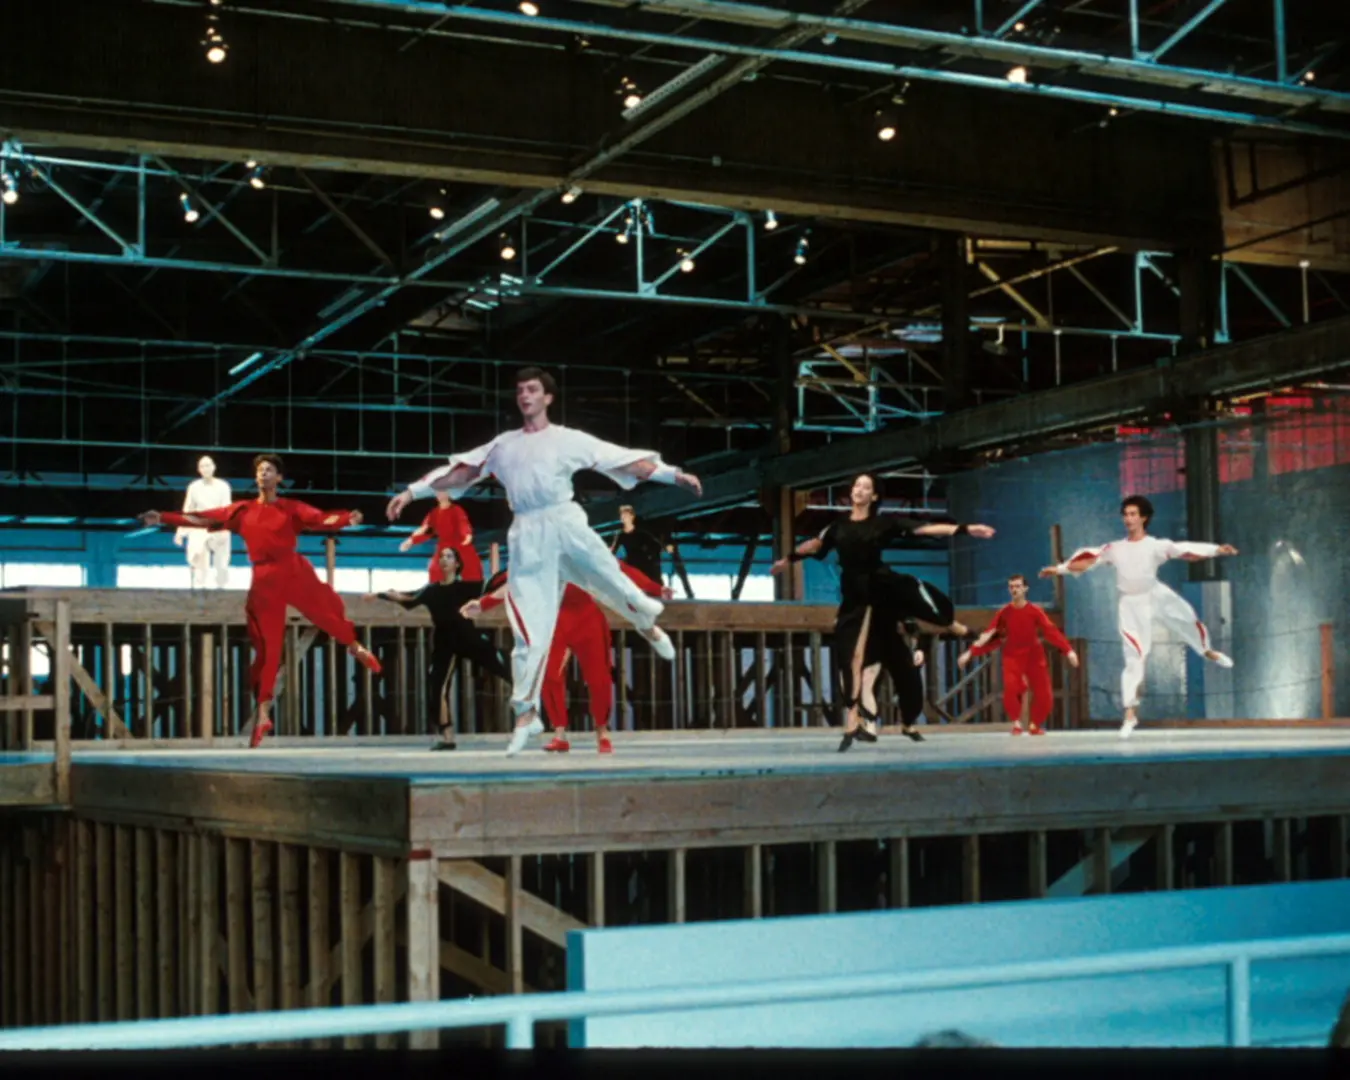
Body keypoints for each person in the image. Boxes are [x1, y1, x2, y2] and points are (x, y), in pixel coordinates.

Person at [386, 366, 702, 757]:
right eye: (520, 390)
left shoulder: (567, 439)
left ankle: (648, 625)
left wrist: (673, 475)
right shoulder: (504, 445)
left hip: (564, 520)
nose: (524, 396)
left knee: (612, 578)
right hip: (528, 532)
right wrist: (413, 492)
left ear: (548, 398)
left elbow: (621, 461)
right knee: (528, 629)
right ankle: (526, 714)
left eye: (532, 390)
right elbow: (460, 472)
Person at [139, 453, 382, 748]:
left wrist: (347, 518)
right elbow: (202, 518)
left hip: (291, 569)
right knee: (268, 647)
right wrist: (163, 518)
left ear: (278, 478)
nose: (263, 473)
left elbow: (320, 519)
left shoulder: (290, 508)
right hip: (264, 578)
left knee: (325, 610)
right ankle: (264, 711)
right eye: (259, 470)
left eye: (268, 470)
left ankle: (354, 646)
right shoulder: (242, 511)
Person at [771, 472, 995, 751]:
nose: (859, 490)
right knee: (851, 660)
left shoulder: (882, 524)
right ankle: (854, 720)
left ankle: (955, 627)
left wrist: (963, 529)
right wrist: (788, 559)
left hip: (881, 587)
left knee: (924, 613)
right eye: (856, 486)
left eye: (866, 487)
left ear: (873, 496)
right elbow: (815, 544)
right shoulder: (838, 527)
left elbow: (921, 528)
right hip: (854, 596)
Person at [1040, 494, 1236, 739]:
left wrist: (1216, 550)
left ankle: (1207, 651)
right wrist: (1058, 569)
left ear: (1143, 518)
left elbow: (1186, 551)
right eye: (1126, 515)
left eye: (1133, 514)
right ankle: (1130, 713)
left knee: (1186, 617)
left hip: (1155, 593)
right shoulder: (1115, 548)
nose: (1129, 519)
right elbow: (1088, 562)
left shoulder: (1155, 545)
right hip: (1131, 604)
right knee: (1134, 656)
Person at [464, 560, 671, 754]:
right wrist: (482, 605)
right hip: (554, 624)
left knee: (599, 678)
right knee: (549, 676)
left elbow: (620, 569)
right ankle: (560, 734)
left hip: (587, 621)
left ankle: (602, 732)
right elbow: (513, 585)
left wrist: (656, 588)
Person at [365, 547, 510, 750]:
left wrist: (513, 571)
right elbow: (408, 599)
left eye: (449, 556)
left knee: (507, 669)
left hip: (468, 637)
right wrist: (381, 594)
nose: (443, 559)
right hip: (445, 642)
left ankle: (535, 710)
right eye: (441, 556)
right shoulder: (431, 590)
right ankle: (447, 737)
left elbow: (492, 585)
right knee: (436, 687)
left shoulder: (468, 588)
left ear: (457, 564)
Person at [958, 573, 1079, 735]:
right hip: (1012, 654)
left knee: (1044, 692)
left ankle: (1035, 724)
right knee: (1012, 687)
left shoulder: (1035, 611)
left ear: (1025, 589)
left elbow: (1051, 631)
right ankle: (1016, 723)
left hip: (1034, 654)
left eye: (1017, 587)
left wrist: (1068, 650)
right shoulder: (1004, 612)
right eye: (1011, 587)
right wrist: (970, 653)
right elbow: (989, 635)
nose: (1014, 590)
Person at [400, 489, 484, 584]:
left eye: (443, 491)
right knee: (435, 570)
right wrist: (411, 541)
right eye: (438, 492)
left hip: (460, 544)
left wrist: (467, 535)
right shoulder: (434, 513)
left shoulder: (456, 510)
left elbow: (463, 523)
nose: (440, 494)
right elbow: (427, 529)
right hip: (444, 546)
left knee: (470, 570)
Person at [176, 454, 232, 589]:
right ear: (198, 469)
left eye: (208, 465)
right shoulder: (193, 487)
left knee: (222, 564)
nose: (205, 468)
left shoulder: (223, 486)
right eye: (202, 466)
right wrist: (180, 532)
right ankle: (199, 588)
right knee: (199, 557)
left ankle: (221, 588)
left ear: (213, 467)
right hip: (200, 525)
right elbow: (188, 509)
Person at [612, 505, 664, 583]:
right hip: (632, 563)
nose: (624, 518)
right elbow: (613, 550)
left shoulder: (641, 533)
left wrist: (649, 553)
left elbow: (657, 546)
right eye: (622, 515)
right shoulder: (620, 534)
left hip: (644, 564)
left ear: (632, 517)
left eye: (626, 515)